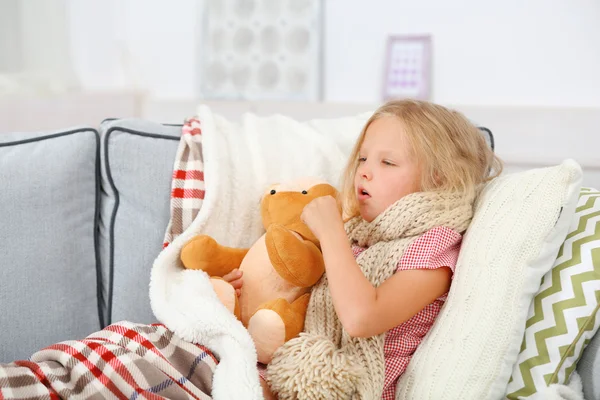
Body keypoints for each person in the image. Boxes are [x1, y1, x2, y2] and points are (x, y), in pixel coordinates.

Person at [224, 99, 502, 399]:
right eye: (363, 159)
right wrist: (243, 293)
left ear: (438, 177)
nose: (365, 172)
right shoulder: (360, 235)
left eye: (388, 162)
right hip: (297, 373)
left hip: (352, 388)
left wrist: (331, 234)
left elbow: (361, 319)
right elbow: (310, 302)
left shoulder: (433, 249)